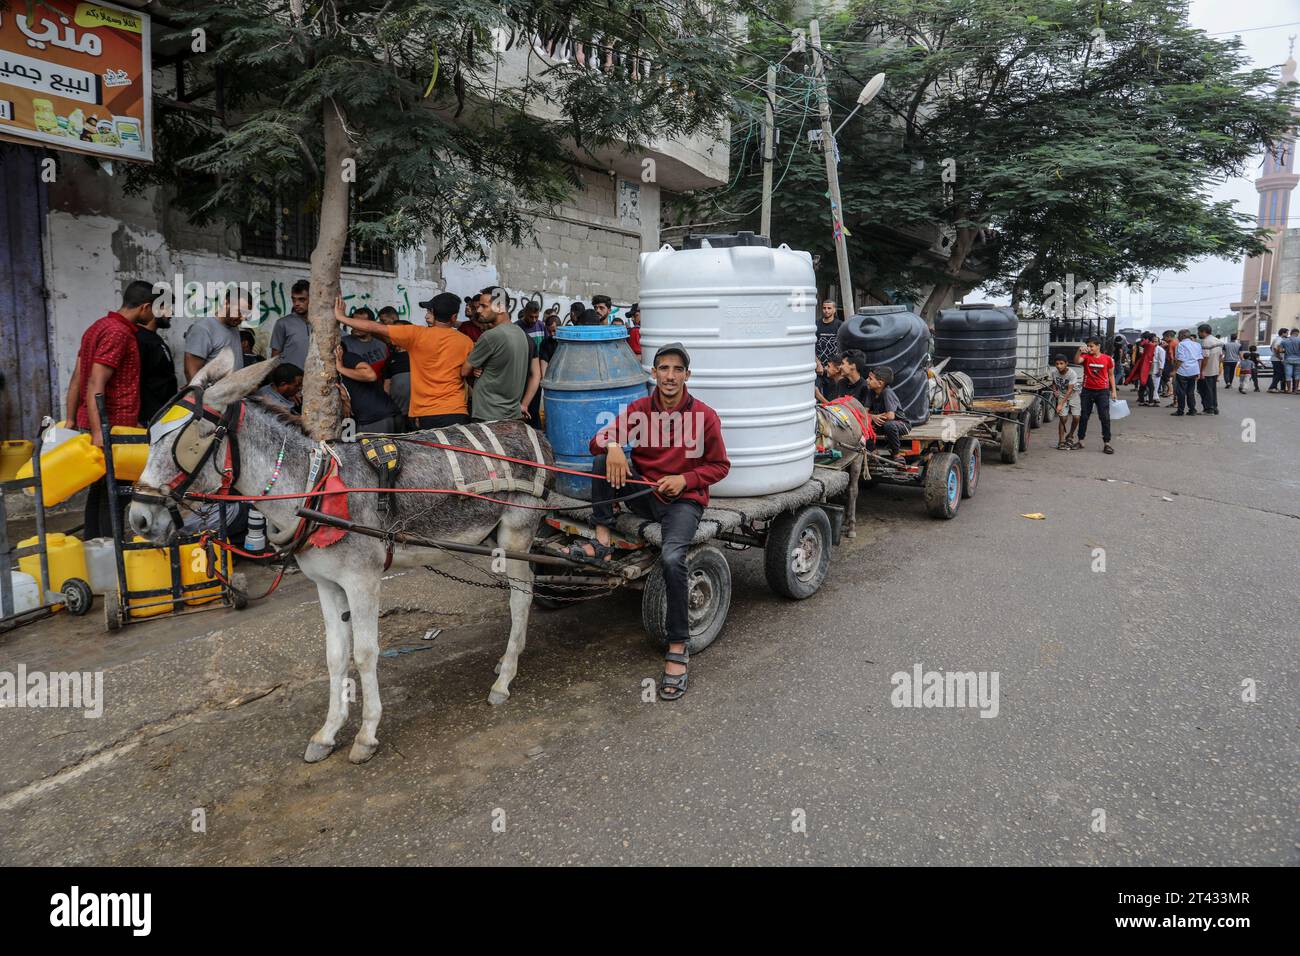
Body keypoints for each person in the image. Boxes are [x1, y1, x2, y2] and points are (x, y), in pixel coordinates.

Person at [572, 342, 730, 701]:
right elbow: (596, 440)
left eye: (677, 369)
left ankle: (677, 644)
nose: (670, 376)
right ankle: (602, 540)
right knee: (602, 463)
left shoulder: (704, 416)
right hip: (645, 494)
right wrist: (613, 445)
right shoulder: (640, 410)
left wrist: (685, 480)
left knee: (674, 559)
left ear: (687, 375)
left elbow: (720, 466)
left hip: (682, 502)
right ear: (654, 373)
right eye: (663, 368)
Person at [65, 279, 154, 538]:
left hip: (105, 423)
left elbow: (77, 377)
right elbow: (95, 381)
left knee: (100, 490)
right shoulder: (119, 333)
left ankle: (95, 544)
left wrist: (71, 420)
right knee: (113, 496)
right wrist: (98, 430)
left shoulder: (97, 327)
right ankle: (109, 549)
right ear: (145, 308)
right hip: (108, 426)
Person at [335, 293, 474, 429]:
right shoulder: (467, 342)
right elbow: (466, 371)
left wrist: (341, 317)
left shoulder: (416, 334)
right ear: (454, 317)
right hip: (457, 412)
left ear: (433, 313)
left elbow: (374, 327)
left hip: (427, 414)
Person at [462, 286, 531, 422]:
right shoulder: (520, 333)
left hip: (488, 413)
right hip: (511, 412)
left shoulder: (491, 336)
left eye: (484, 306)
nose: (479, 310)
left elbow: (464, 371)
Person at [183, 290, 246, 381]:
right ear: (226, 303)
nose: (243, 318)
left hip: (233, 393)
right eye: (240, 311)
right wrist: (200, 395)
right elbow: (191, 372)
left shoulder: (233, 326)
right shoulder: (203, 329)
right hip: (212, 394)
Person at [136, 298, 176, 425]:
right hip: (149, 418)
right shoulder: (140, 339)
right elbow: (137, 381)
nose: (172, 313)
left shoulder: (155, 339)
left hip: (163, 414)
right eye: (168, 308)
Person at [1073, 337, 1117, 453]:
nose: (1089, 348)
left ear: (1098, 346)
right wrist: (1079, 351)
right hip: (1087, 390)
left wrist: (1113, 391)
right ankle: (1080, 440)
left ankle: (1107, 443)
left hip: (1102, 391)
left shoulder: (1108, 359)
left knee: (1105, 417)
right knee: (1084, 416)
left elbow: (1111, 375)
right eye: (1088, 346)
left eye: (1091, 346)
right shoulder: (1086, 357)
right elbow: (1077, 361)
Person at [862, 366, 910, 461]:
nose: (867, 380)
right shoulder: (870, 392)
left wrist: (873, 417)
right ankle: (873, 452)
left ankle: (896, 454)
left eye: (870, 379)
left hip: (900, 424)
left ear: (880, 383)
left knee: (889, 425)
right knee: (864, 424)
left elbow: (891, 416)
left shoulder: (887, 393)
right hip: (882, 423)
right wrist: (871, 417)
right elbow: (864, 411)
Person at [270, 279, 312, 371]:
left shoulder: (321, 324)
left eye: (302, 299)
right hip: (290, 381)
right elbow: (274, 356)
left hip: (314, 378)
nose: (296, 304)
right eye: (294, 299)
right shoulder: (283, 323)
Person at [1050, 353, 1080, 449]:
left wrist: (1060, 404)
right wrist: (1055, 391)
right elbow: (1054, 383)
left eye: (1061, 363)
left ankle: (1070, 435)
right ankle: (1061, 441)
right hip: (1062, 394)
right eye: (1057, 364)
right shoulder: (1054, 372)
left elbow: (1070, 390)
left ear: (1066, 363)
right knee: (1063, 419)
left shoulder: (1072, 374)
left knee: (1076, 417)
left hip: (1073, 395)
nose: (1059, 366)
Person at [1171, 328, 1203, 416]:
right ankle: (1192, 410)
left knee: (1181, 392)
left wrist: (1174, 370)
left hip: (1183, 371)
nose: (1178, 337)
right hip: (1194, 371)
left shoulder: (1181, 345)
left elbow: (1180, 359)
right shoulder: (1197, 345)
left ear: (1182, 336)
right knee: (1190, 391)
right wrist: (1199, 371)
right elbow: (1200, 359)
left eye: (1179, 335)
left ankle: (1180, 410)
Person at [1196, 324, 1222, 415]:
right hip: (1214, 369)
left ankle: (1208, 409)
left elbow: (1205, 357)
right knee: (1212, 390)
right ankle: (1214, 407)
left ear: (1204, 332)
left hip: (1207, 371)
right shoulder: (1218, 341)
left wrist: (1201, 371)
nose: (1198, 333)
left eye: (1199, 332)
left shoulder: (1206, 342)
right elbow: (1220, 356)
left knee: (1204, 390)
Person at [1125, 332, 1157, 406]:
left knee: (1143, 385)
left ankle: (1142, 400)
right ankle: (1151, 401)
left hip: (1142, 365)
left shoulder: (1143, 344)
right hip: (1147, 367)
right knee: (1151, 386)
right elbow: (1148, 357)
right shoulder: (1151, 345)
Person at [815, 299, 842, 368]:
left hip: (835, 368)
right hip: (818, 367)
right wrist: (818, 364)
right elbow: (811, 346)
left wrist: (833, 366)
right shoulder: (816, 324)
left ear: (834, 310)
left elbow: (842, 347)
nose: (826, 310)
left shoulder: (840, 325)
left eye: (829, 308)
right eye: (824, 308)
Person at [1160, 330, 1178, 402]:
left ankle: (1170, 391)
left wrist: (1173, 368)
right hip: (1175, 363)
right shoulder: (1176, 342)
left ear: (1169, 336)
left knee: (1165, 375)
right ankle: (1171, 393)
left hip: (1170, 363)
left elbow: (1171, 356)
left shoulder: (1171, 344)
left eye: (1165, 337)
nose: (1164, 339)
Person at [1282, 326, 1300, 394]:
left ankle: (1289, 389)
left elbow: (1280, 350)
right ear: (1296, 333)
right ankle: (1295, 390)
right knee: (1297, 375)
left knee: (1288, 374)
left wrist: (1286, 351)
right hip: (1298, 359)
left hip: (1288, 359)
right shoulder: (1299, 340)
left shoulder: (1285, 341)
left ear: (1291, 333)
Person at [1149, 334, 1166, 406]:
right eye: (1153, 341)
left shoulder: (1160, 350)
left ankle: (1154, 397)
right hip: (1150, 366)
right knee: (1150, 383)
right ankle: (1153, 397)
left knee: (1156, 383)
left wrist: (1160, 370)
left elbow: (1162, 361)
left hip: (1156, 366)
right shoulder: (1149, 348)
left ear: (1159, 342)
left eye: (1156, 341)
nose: (1154, 343)